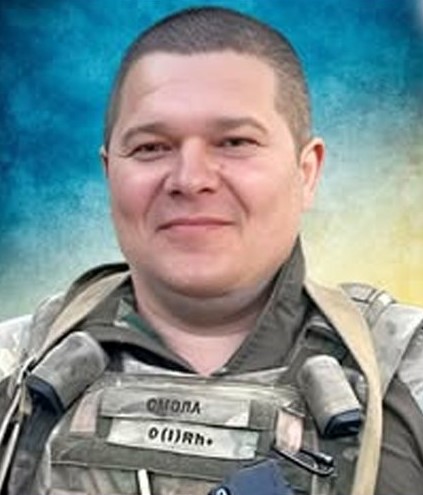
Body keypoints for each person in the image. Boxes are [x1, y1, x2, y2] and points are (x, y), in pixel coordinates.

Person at [0, 6, 422, 495]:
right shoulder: (15, 366)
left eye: (235, 142)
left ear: (306, 172)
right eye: (151, 147)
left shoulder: (407, 373)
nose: (190, 179)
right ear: (110, 172)